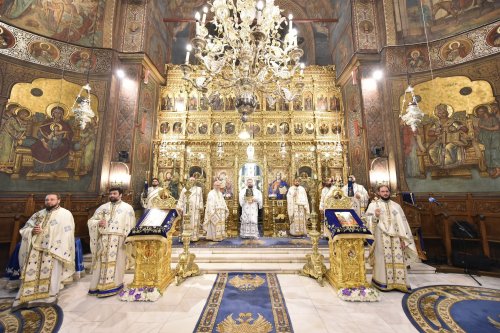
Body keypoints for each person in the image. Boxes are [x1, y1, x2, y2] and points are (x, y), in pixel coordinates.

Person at [13, 193, 75, 309]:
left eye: (52, 199)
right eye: (47, 200)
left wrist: (45, 232)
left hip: (53, 250)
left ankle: (49, 296)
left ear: (59, 200)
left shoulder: (65, 214)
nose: (49, 202)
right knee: (31, 273)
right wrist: (32, 231)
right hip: (35, 249)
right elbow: (25, 229)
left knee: (51, 274)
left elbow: (67, 232)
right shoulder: (38, 214)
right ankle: (28, 295)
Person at [365, 185, 417, 293]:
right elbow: (367, 220)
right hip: (381, 237)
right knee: (382, 259)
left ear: (389, 192)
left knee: (398, 259)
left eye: (387, 191)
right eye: (382, 191)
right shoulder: (373, 205)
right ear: (378, 193)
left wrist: (404, 239)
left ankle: (400, 283)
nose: (385, 193)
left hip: (397, 238)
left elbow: (403, 224)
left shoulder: (396, 206)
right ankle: (382, 282)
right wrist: (375, 216)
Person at [87, 187, 135, 297]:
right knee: (101, 263)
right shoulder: (102, 208)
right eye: (111, 194)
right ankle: (97, 286)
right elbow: (91, 221)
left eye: (114, 193)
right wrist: (99, 222)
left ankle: (116, 285)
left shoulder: (127, 208)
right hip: (103, 239)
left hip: (119, 240)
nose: (112, 195)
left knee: (118, 262)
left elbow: (131, 224)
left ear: (120, 195)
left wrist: (129, 239)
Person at [474, 105, 500, 178]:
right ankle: (491, 169)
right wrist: (476, 130)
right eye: (478, 112)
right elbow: (480, 130)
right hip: (486, 137)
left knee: (494, 151)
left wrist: (484, 127)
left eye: (480, 111)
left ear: (485, 111)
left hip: (495, 136)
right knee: (487, 152)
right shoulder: (481, 120)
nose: (479, 113)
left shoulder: (492, 118)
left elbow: (497, 127)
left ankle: (498, 169)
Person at [177, 177, 204, 241]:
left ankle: (194, 237)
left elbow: (201, 199)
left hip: (195, 209)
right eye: (191, 180)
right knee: (186, 222)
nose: (192, 181)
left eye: (193, 180)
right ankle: (185, 237)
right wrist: (179, 207)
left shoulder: (199, 189)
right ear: (188, 181)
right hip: (187, 208)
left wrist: (200, 206)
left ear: (195, 181)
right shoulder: (184, 189)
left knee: (194, 222)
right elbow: (181, 199)